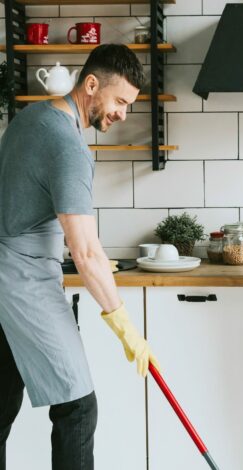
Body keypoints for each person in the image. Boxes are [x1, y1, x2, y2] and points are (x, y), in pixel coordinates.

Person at [0, 44, 158, 470]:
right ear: (91, 85)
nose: (124, 113)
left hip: (7, 281)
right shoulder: (68, 145)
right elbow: (85, 252)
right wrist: (124, 326)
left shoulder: (28, 118)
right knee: (77, 408)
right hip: (22, 281)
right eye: (121, 101)